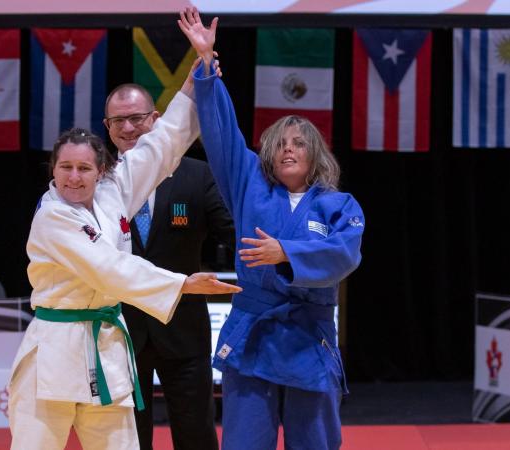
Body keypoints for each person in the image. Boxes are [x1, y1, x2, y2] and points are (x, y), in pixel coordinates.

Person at [8, 60, 239, 450]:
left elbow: (160, 146)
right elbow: (108, 268)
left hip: (108, 348)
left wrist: (191, 84)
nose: (74, 176)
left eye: (84, 167)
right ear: (53, 169)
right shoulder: (53, 216)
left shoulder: (111, 192)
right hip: (55, 350)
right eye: (65, 167)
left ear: (102, 171)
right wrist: (181, 283)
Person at [180, 8, 365, 450]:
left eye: (298, 143)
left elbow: (344, 256)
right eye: (278, 143)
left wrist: (286, 253)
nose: (287, 150)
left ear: (315, 152)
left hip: (309, 335)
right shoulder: (249, 185)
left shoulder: (338, 204)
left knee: (315, 443)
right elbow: (223, 133)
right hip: (254, 332)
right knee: (244, 441)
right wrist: (206, 64)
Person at [105, 82, 232, 450]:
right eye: (118, 121)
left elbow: (234, 232)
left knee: (196, 437)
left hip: (184, 330)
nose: (128, 128)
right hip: (121, 334)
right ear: (107, 127)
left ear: (156, 119)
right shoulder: (98, 180)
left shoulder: (197, 174)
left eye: (136, 118)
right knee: (129, 440)